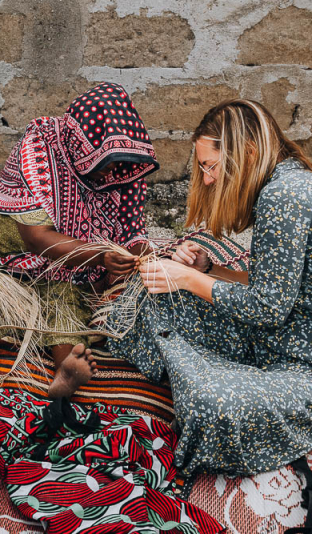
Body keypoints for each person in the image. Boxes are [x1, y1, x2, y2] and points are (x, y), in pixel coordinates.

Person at [0, 82, 159, 394]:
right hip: (1, 260)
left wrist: (139, 256)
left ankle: (66, 370)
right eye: (102, 166)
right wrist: (101, 255)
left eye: (116, 165)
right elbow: (37, 239)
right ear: (80, 146)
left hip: (67, 272)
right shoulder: (38, 150)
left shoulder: (126, 165)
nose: (110, 175)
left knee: (66, 304)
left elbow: (133, 229)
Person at [108, 99, 312, 476]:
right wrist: (210, 269)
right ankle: (196, 366)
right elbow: (283, 287)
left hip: (299, 362)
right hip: (277, 335)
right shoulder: (287, 181)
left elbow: (268, 309)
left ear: (248, 153)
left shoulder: (286, 196)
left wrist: (187, 277)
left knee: (210, 405)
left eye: (210, 167)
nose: (206, 179)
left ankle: (199, 374)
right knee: (152, 299)